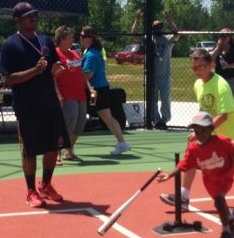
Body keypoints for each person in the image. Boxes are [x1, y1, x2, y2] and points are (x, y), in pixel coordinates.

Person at [160, 49, 234, 210]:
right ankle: (183, 197)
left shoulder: (220, 86)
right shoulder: (198, 85)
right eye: (194, 68)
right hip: (211, 133)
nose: (198, 71)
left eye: (201, 67)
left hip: (232, 134)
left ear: (211, 65)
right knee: (192, 156)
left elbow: (224, 115)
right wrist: (199, 130)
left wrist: (201, 132)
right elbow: (204, 110)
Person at [0, 2, 70, 207]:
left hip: (49, 103)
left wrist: (57, 69)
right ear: (18, 20)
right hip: (27, 106)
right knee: (29, 151)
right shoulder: (10, 45)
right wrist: (34, 71)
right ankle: (30, 191)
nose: (34, 18)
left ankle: (45, 185)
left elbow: (54, 66)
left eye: (35, 15)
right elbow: (9, 79)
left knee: (53, 148)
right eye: (29, 16)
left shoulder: (45, 40)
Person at [157, 111, 234, 238]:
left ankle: (226, 231)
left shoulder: (222, 141)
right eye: (196, 131)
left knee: (218, 200)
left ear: (211, 129)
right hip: (210, 181)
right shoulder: (194, 148)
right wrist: (169, 174)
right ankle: (229, 216)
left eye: (203, 130)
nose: (200, 134)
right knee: (219, 201)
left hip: (225, 177)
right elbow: (184, 163)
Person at [80, 25, 130, 155]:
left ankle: (67, 149)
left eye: (83, 36)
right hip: (100, 89)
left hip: (95, 91)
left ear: (90, 38)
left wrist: (73, 73)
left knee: (77, 116)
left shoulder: (91, 54)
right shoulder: (93, 51)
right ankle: (122, 142)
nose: (81, 38)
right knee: (107, 117)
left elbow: (88, 74)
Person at [131, 9, 179, 129]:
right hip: (152, 75)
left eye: (160, 27)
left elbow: (177, 34)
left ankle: (164, 120)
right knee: (152, 101)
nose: (158, 29)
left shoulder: (167, 39)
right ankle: (156, 120)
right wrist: (137, 19)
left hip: (165, 75)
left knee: (165, 100)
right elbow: (134, 34)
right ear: (152, 29)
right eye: (156, 27)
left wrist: (170, 20)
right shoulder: (149, 39)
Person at [54, 25, 87, 166]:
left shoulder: (75, 54)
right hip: (67, 94)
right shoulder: (55, 54)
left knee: (79, 125)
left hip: (81, 94)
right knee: (69, 123)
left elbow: (81, 75)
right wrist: (58, 94)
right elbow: (53, 77)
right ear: (61, 39)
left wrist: (90, 89)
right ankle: (57, 154)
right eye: (70, 37)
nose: (72, 40)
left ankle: (69, 151)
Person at [210, 28, 234, 99]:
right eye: (220, 36)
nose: (222, 38)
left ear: (229, 37)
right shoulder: (217, 47)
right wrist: (218, 47)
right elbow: (210, 59)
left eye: (224, 36)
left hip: (232, 78)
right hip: (219, 78)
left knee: (231, 99)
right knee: (219, 98)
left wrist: (229, 66)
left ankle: (232, 110)